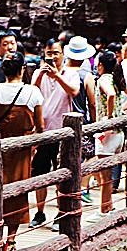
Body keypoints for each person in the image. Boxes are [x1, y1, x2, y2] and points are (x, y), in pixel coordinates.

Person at [0, 54, 41, 251]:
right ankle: (11, 240)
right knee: (18, 193)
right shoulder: (33, 92)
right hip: (21, 149)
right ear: (22, 70)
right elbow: (41, 125)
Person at [29, 40, 92, 225]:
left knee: (61, 174)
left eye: (56, 53)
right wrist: (42, 74)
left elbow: (74, 91)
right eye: (49, 53)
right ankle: (39, 213)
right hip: (42, 131)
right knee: (40, 174)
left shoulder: (71, 74)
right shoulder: (39, 73)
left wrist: (57, 76)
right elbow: (33, 90)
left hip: (62, 131)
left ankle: (60, 213)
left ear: (63, 54)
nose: (52, 57)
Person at [91, 51, 127, 214]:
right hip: (118, 131)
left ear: (100, 65)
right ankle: (108, 205)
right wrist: (121, 111)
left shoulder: (104, 80)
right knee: (106, 174)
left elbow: (111, 95)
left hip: (107, 132)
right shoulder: (116, 78)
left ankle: (103, 210)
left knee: (105, 176)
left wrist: (108, 117)